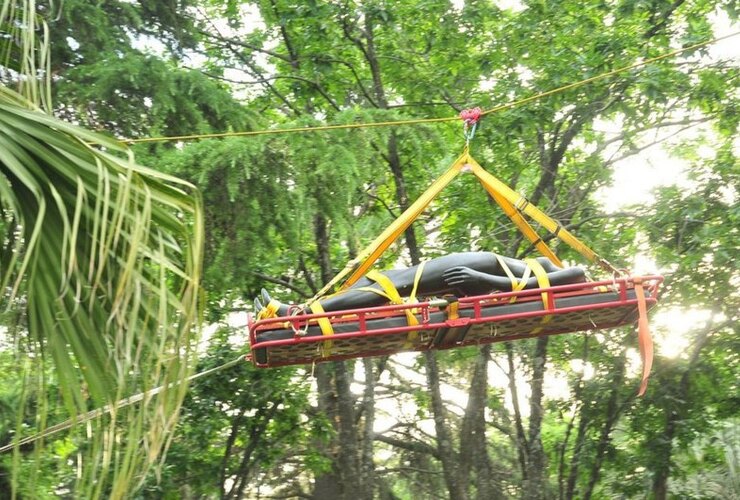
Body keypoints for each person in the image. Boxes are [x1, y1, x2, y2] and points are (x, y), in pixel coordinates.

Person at [254, 251, 586, 317]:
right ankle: (302, 311)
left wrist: (481, 279)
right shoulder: (540, 267)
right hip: (470, 270)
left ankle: (298, 313)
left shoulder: (573, 276)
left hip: (472, 273)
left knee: (386, 286)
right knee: (380, 281)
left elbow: (577, 273)